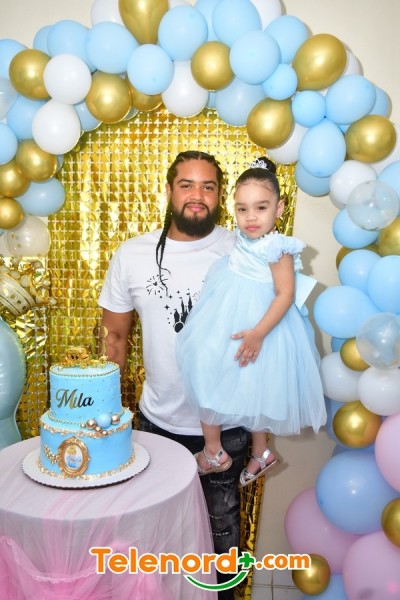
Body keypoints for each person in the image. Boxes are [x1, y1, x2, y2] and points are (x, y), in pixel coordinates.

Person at [98, 150, 250, 599]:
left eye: (208, 186)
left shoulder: (244, 250)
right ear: (168, 191)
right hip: (157, 426)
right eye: (187, 185)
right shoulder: (133, 254)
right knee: (153, 537)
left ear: (220, 196)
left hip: (228, 426)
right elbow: (114, 339)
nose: (197, 195)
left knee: (223, 538)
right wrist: (106, 415)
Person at [176, 157, 327, 488]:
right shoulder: (242, 238)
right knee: (213, 370)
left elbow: (285, 294)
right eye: (242, 209)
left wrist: (258, 334)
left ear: (279, 208)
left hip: (262, 324)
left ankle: (234, 453)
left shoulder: (278, 247)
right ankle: (243, 452)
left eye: (261, 207)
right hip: (230, 316)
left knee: (258, 386)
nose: (251, 217)